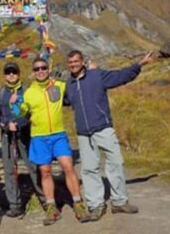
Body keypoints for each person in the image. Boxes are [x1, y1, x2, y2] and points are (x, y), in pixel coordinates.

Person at [65, 50, 155, 221]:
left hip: (103, 128)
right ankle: (96, 205)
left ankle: (119, 201)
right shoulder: (68, 84)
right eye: (70, 62)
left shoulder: (97, 76)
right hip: (84, 133)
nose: (73, 65)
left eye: (76, 61)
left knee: (116, 162)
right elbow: (62, 101)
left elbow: (121, 76)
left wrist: (139, 64)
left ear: (83, 62)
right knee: (89, 169)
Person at [18, 57, 90, 226]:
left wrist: (89, 70)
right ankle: (51, 207)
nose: (40, 71)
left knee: (68, 166)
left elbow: (77, 84)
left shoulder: (59, 85)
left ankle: (78, 203)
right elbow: (21, 113)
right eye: (37, 69)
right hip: (39, 137)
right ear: (33, 72)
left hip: (58, 135)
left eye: (43, 68)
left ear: (48, 69)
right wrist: (15, 105)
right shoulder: (29, 92)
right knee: (45, 171)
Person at [0, 61, 44, 217]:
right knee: (9, 170)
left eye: (14, 72)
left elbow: (32, 113)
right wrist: (5, 125)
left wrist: (19, 123)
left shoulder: (27, 91)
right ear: (4, 75)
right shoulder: (0, 93)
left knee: (33, 167)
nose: (11, 75)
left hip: (26, 134)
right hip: (8, 136)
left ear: (19, 74)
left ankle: (45, 199)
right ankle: (14, 204)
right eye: (8, 72)